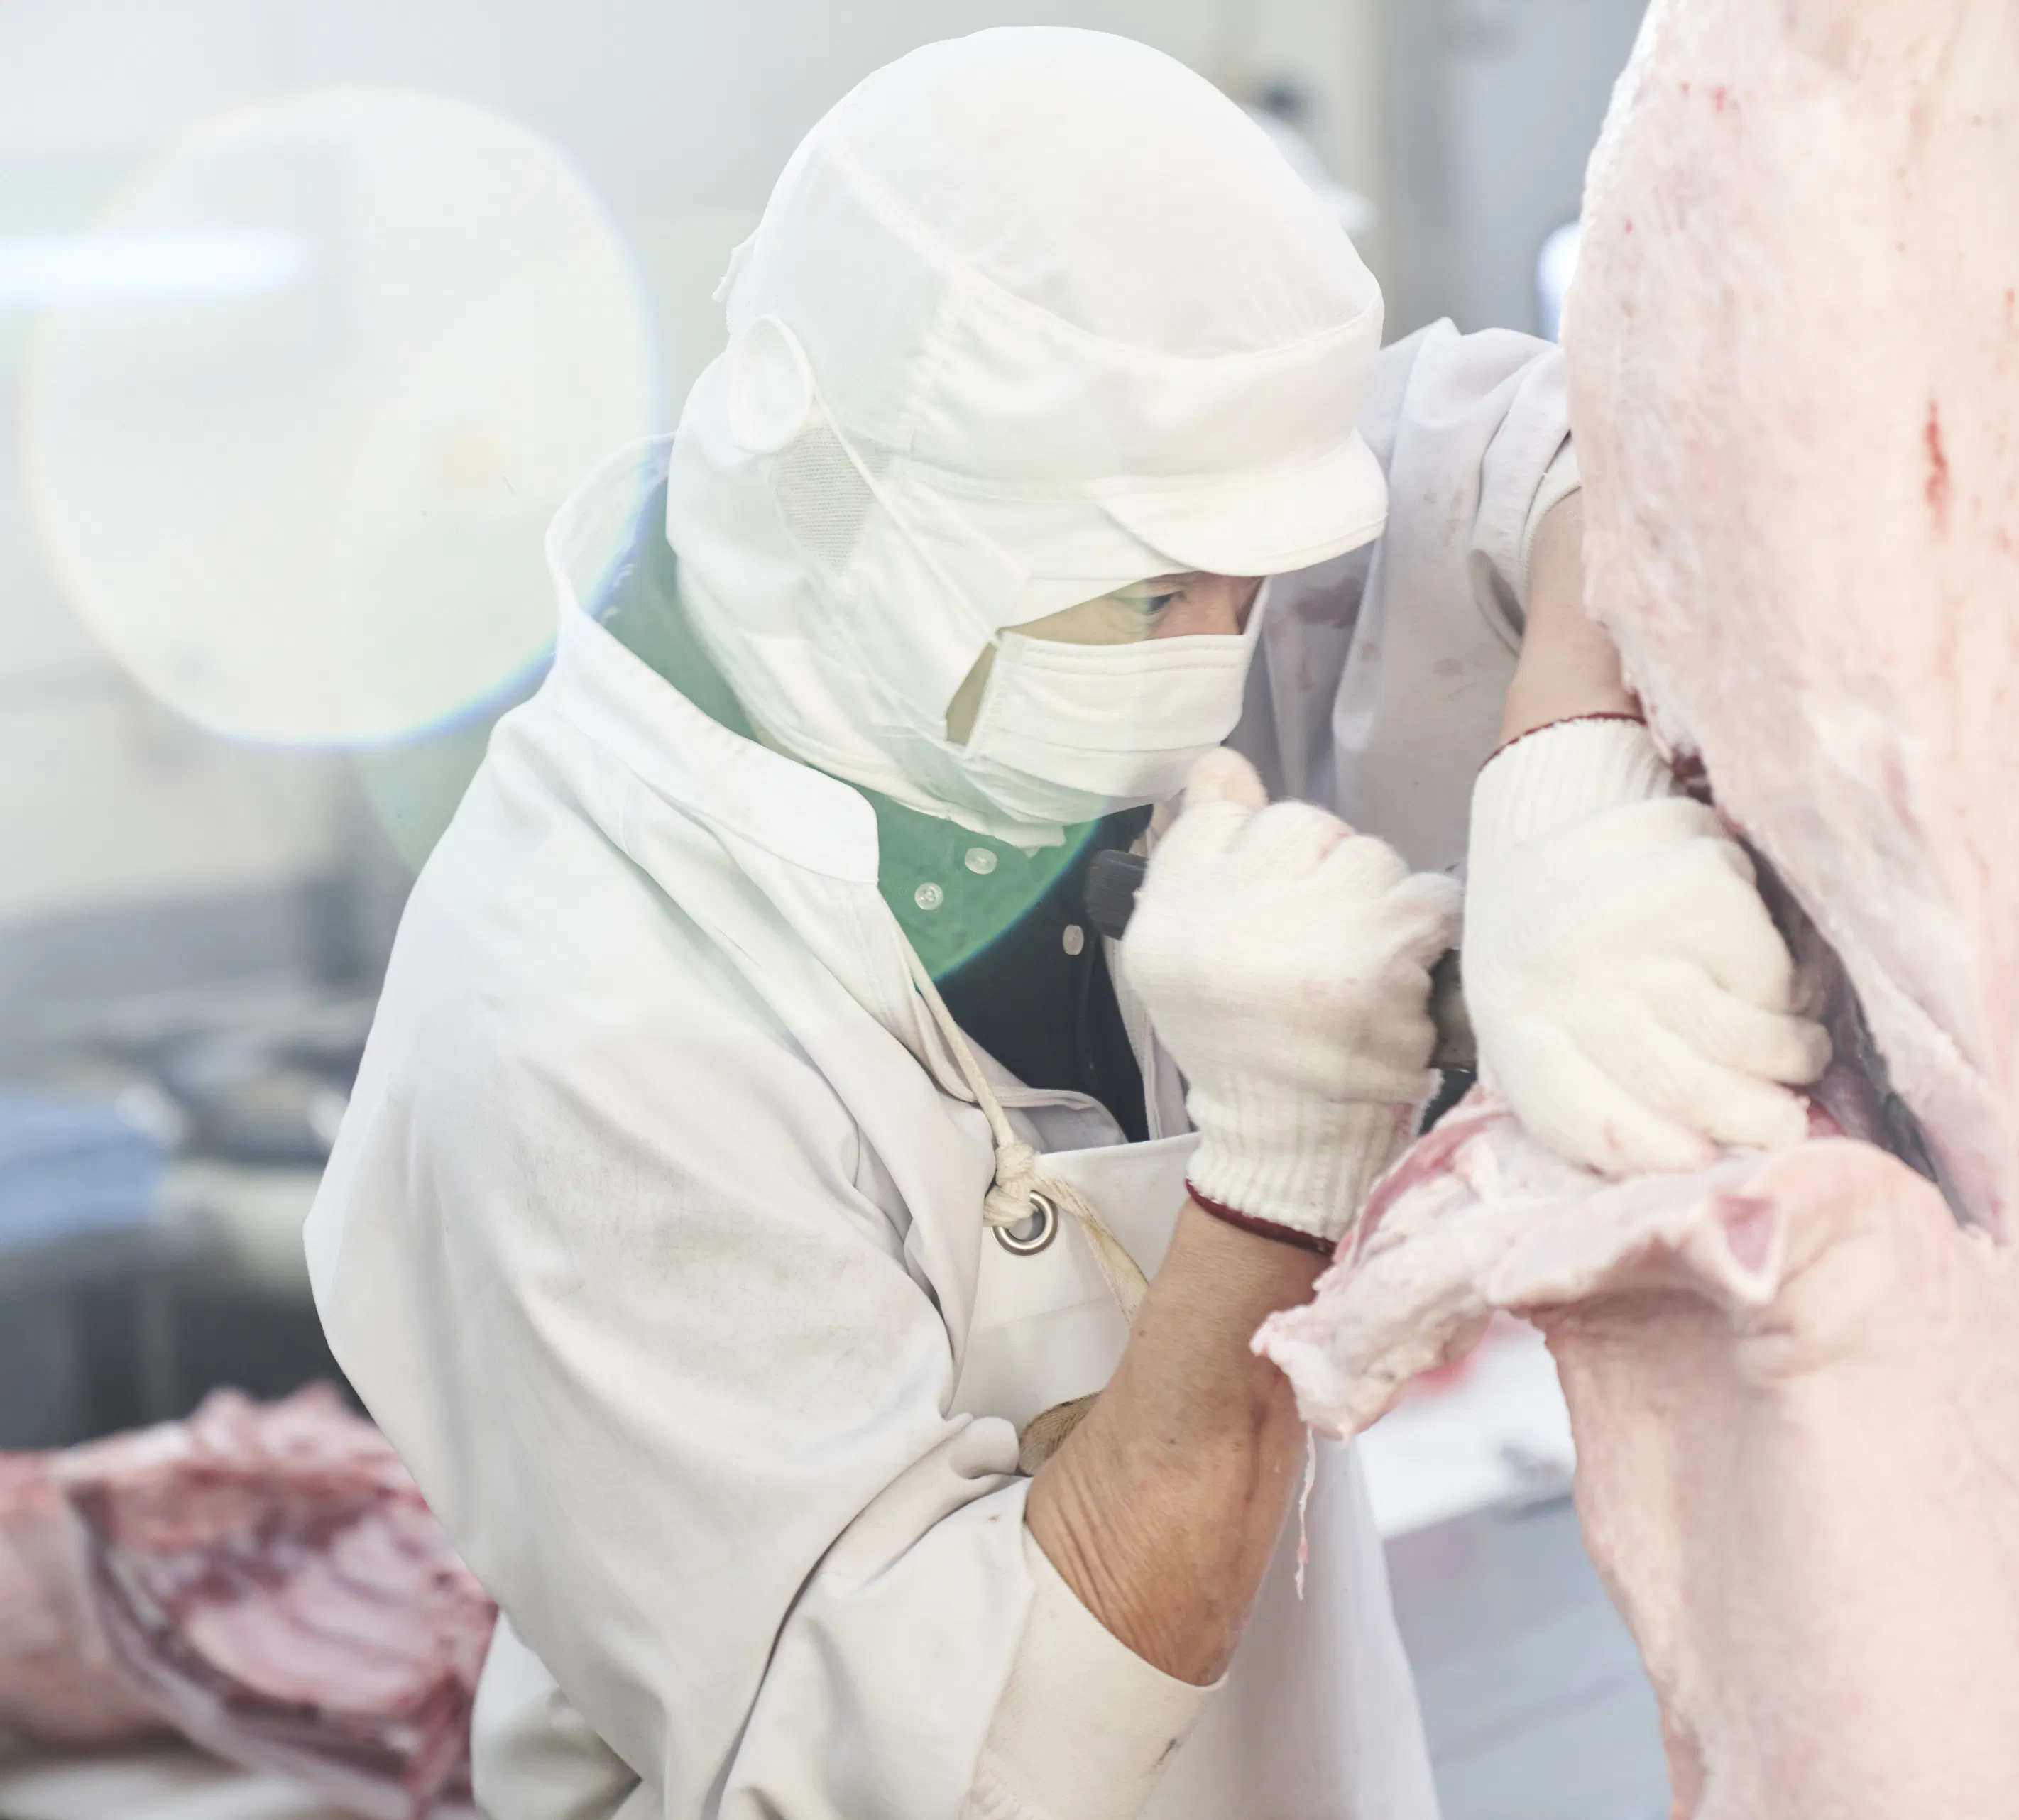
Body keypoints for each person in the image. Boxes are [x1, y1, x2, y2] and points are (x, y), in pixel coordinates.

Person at [305, 27, 1821, 1819]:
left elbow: (1595, 436)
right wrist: (1277, 1170)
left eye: (1248, 582)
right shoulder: (572, 1024)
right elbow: (960, 1771)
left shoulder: (1088, 571)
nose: (1222, 654)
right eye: (1151, 597)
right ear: (839, 494)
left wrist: (1564, 774)